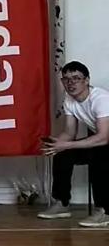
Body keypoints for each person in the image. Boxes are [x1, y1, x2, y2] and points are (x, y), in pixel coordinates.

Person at [38, 61, 109, 227]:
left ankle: (104, 211)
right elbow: (70, 133)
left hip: (105, 141)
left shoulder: (101, 99)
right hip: (101, 141)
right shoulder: (69, 100)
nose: (71, 83)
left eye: (76, 78)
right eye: (66, 79)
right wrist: (56, 145)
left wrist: (67, 145)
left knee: (100, 157)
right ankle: (62, 204)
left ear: (87, 80)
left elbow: (104, 138)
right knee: (62, 154)